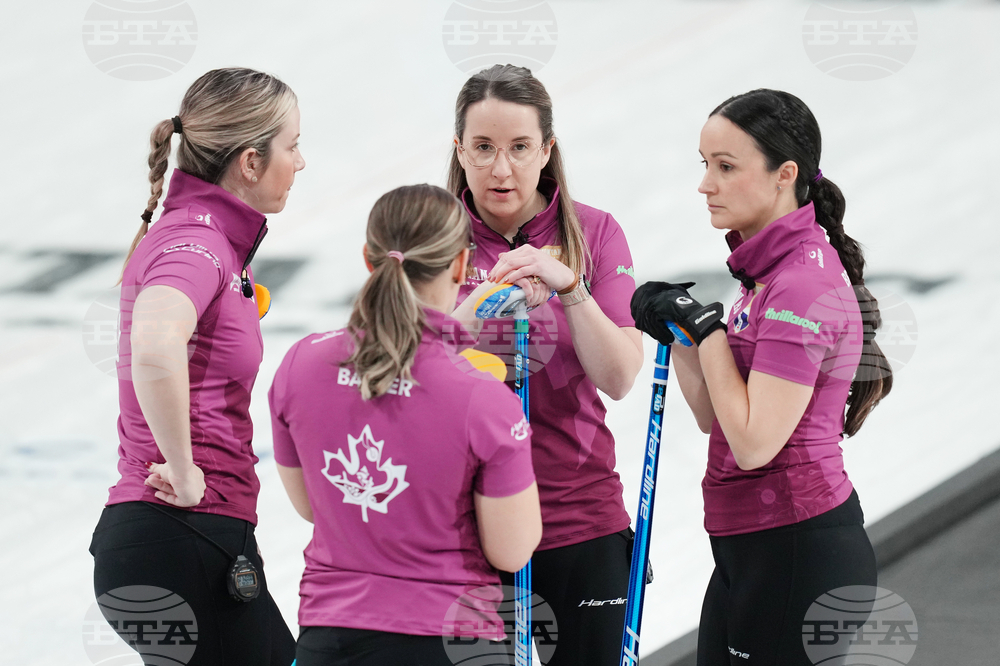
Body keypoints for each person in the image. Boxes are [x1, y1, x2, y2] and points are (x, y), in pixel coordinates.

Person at [631, 88, 893, 665]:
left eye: (726, 167)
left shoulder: (799, 285)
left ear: (784, 175)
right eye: (705, 165)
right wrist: (679, 336)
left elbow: (753, 444)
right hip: (752, 547)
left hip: (795, 548)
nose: (706, 184)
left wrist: (710, 334)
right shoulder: (765, 272)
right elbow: (715, 417)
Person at [268, 184, 542, 666]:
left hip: (332, 638)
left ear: (369, 260)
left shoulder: (301, 363)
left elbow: (313, 506)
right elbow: (511, 551)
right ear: (460, 265)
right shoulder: (483, 399)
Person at [89, 67, 305, 665]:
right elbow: (155, 348)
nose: (301, 162)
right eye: (292, 146)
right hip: (185, 531)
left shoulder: (205, 241)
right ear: (251, 163)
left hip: (179, 539)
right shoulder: (198, 243)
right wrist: (183, 470)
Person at [447, 64, 644, 665]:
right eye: (482, 148)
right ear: (459, 149)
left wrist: (570, 290)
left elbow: (620, 377)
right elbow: (397, 372)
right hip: (462, 525)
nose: (500, 169)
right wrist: (483, 312)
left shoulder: (594, 231)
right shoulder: (430, 235)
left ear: (547, 150)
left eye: (519, 148)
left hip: (577, 517)